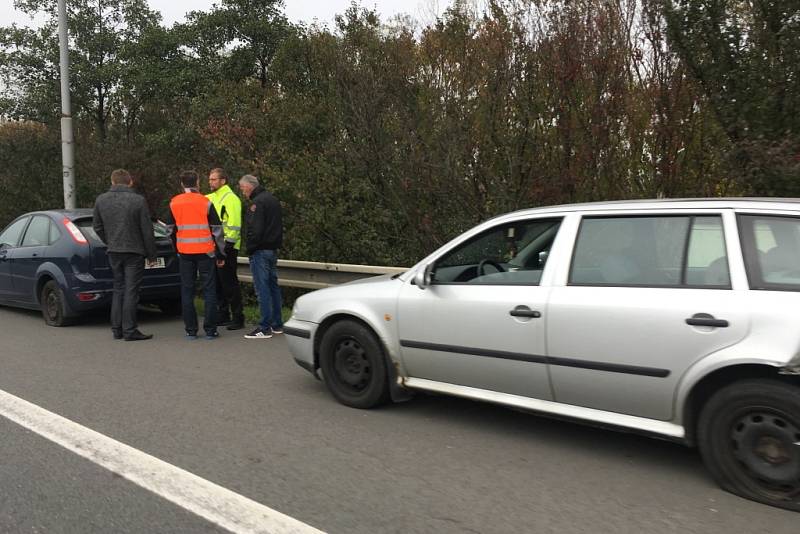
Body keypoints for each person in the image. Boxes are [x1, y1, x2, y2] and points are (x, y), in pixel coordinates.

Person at [92, 169, 158, 341]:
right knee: (131, 290)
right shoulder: (138, 200)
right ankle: (129, 329)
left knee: (118, 288)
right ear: (130, 182)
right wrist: (152, 254)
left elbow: (97, 227)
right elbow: (147, 229)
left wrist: (110, 241)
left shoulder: (101, 200)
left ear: (112, 182)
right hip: (134, 251)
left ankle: (117, 329)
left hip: (114, 250)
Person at [164, 170, 226, 340]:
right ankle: (211, 330)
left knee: (187, 291)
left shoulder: (174, 203)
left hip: (184, 253)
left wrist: (176, 248)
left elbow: (168, 230)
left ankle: (191, 330)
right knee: (209, 291)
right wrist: (220, 253)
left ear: (182, 184)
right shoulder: (205, 202)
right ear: (197, 183)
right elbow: (217, 230)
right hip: (206, 252)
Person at [238, 174, 283, 339]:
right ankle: (277, 324)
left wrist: (250, 248)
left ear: (249, 186)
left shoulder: (257, 203)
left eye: (242, 188)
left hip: (260, 251)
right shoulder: (272, 199)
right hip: (272, 250)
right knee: (273, 287)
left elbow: (255, 230)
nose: (242, 192)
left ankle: (264, 327)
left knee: (262, 288)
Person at [206, 168, 245, 330]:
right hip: (213, 247)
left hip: (228, 247)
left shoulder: (231, 199)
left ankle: (238, 317)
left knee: (230, 284)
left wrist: (226, 248)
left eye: (214, 179)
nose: (210, 182)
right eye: (209, 179)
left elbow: (234, 226)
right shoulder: (209, 197)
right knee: (218, 284)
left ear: (223, 181)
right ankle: (223, 315)